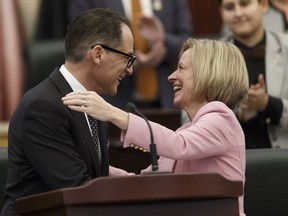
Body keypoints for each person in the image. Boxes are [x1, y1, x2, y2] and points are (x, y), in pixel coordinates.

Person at [62, 38, 249, 216]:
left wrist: (113, 113)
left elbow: (179, 145)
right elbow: (142, 184)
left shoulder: (221, 118)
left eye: (181, 68)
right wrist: (96, 163)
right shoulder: (185, 132)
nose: (171, 76)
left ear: (208, 73)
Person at [0, 8, 136, 216]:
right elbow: (78, 190)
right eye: (128, 58)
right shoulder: (43, 107)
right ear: (98, 54)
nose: (130, 69)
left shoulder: (91, 103)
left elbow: (94, 180)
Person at [68, 0, 193, 109]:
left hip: (163, 100)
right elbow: (81, 39)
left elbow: (188, 44)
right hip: (112, 101)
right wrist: (132, 61)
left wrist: (162, 39)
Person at [218, 0, 288, 149]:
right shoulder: (210, 58)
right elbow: (190, 123)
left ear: (263, 5)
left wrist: (267, 104)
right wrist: (238, 116)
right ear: (221, 13)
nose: (238, 13)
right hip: (229, 163)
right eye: (229, 7)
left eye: (244, 4)